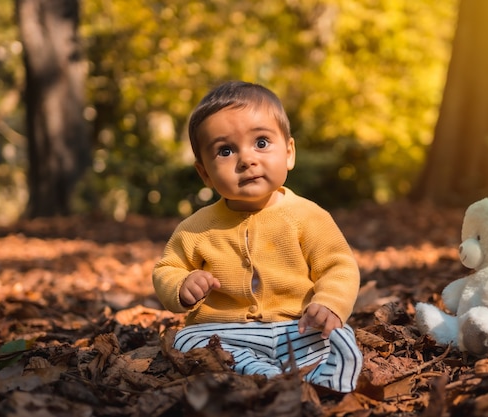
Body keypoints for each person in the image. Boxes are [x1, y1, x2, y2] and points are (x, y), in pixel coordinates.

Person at [152, 80, 362, 392]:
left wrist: (330, 303)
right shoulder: (197, 228)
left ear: (289, 153)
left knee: (342, 336)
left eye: (261, 143)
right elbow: (166, 268)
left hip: (297, 326)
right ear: (205, 173)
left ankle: (325, 387)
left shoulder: (308, 217)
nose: (247, 159)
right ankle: (263, 375)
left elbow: (339, 267)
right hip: (227, 332)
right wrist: (182, 285)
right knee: (185, 340)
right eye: (225, 151)